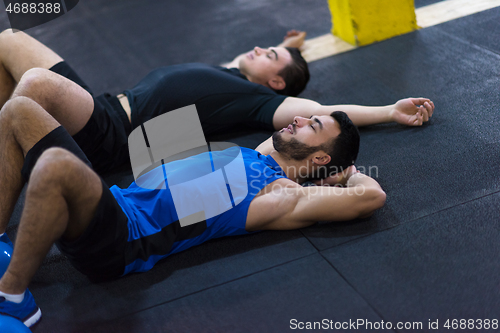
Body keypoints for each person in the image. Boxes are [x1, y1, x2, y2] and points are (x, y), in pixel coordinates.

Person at [0, 96, 385, 328]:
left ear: (319, 156)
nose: (300, 119)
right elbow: (300, 124)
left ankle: (15, 296)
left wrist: (345, 177)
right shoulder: (259, 155)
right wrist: (384, 116)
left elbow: (371, 197)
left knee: (53, 164)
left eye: (311, 125)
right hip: (111, 203)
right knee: (19, 109)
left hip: (122, 238)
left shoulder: (280, 194)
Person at [0, 29, 434, 175]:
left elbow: (321, 112)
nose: (261, 50)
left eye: (272, 57)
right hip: (102, 105)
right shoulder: (233, 74)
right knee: (10, 42)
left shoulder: (255, 99)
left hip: (112, 135)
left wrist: (387, 111)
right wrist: (291, 45)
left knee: (34, 81)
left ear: (277, 82)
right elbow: (268, 61)